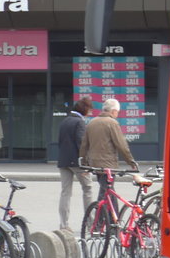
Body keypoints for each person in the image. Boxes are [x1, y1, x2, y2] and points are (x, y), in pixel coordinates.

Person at [80, 99, 140, 196]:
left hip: (94, 163)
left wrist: (84, 164)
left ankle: (108, 210)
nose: (117, 114)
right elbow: (121, 145)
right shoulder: (112, 123)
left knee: (107, 189)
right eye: (117, 112)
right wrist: (130, 161)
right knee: (106, 192)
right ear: (113, 111)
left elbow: (84, 145)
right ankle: (102, 210)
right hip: (108, 164)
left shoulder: (92, 123)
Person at [57, 97, 94, 231]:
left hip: (63, 161)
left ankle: (64, 224)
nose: (90, 112)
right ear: (84, 109)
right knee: (88, 189)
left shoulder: (65, 121)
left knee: (65, 192)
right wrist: (87, 165)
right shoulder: (79, 123)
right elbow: (82, 144)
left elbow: (61, 141)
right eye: (89, 110)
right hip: (77, 163)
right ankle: (91, 224)